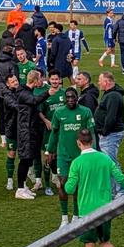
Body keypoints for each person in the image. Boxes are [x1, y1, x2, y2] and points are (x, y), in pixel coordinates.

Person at [64, 128, 124, 247]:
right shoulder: (104, 158)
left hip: (87, 212)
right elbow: (120, 177)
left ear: (78, 143)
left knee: (89, 246)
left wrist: (64, 184)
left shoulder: (77, 163)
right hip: (105, 209)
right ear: (92, 141)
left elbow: (70, 189)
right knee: (106, 242)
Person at [46, 86, 96, 227]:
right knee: (63, 184)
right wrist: (49, 151)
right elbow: (54, 133)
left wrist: (94, 151)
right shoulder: (59, 112)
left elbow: (92, 133)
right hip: (64, 156)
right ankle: (64, 218)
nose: (70, 100)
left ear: (77, 98)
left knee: (77, 186)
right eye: (67, 97)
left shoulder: (85, 112)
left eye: (72, 97)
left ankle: (75, 215)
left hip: (80, 156)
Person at [12, 71, 53, 200]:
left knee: (29, 158)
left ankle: (23, 186)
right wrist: (48, 93)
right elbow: (35, 100)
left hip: (30, 130)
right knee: (24, 160)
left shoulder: (26, 91)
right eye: (40, 79)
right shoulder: (23, 93)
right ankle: (19, 189)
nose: (42, 81)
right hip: (25, 131)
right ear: (35, 81)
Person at [95, 72, 124, 196]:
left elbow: (111, 117)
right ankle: (114, 191)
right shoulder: (111, 94)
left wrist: (104, 131)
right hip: (110, 134)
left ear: (107, 82)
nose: (98, 83)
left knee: (111, 164)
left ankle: (120, 192)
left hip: (110, 135)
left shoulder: (112, 96)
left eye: (100, 80)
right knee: (110, 163)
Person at [0, 44, 17, 149]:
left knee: (1, 116)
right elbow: (14, 80)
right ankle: (11, 137)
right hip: (9, 93)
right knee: (11, 116)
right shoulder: (12, 64)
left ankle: (3, 140)